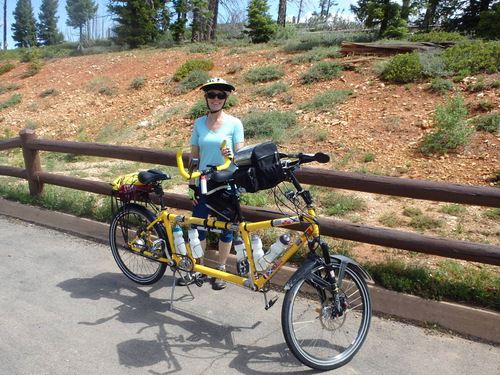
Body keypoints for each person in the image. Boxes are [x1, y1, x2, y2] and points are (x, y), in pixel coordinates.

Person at [181, 78, 244, 290]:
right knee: (198, 225)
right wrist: (191, 185)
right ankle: (197, 267)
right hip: (202, 181)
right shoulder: (199, 123)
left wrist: (231, 154)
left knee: (226, 228)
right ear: (206, 98)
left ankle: (221, 268)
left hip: (226, 183)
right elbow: (194, 157)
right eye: (211, 95)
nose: (215, 99)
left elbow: (241, 157)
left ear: (226, 98)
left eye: (220, 95)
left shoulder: (235, 123)